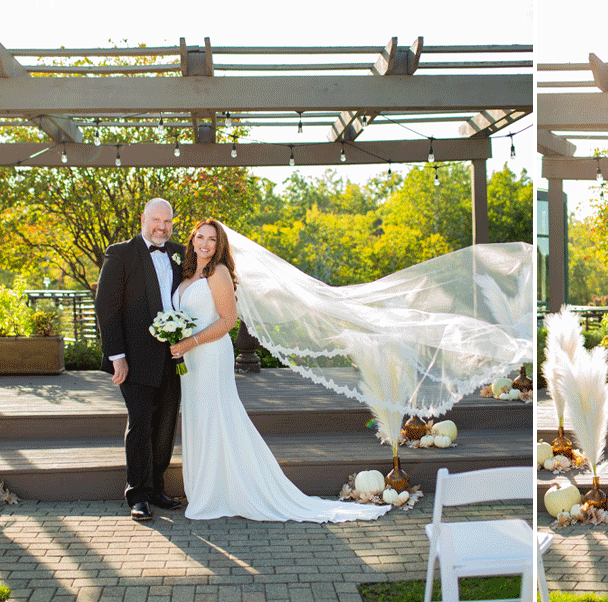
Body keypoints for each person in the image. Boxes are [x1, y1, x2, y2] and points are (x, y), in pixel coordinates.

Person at [167, 219, 390, 523]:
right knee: (199, 419)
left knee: (215, 417)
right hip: (190, 360)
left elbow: (227, 321)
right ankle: (207, 489)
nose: (205, 244)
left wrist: (190, 341)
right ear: (192, 241)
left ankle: (219, 494)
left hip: (209, 355)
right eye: (200, 238)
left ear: (220, 246)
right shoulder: (186, 273)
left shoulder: (217, 273)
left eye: (212, 240)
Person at [95, 198, 185, 522]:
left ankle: (157, 488)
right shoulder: (120, 252)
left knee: (165, 426)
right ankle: (138, 495)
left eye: (168, 223)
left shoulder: (179, 253)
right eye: (156, 221)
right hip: (133, 359)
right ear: (143, 218)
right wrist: (117, 357)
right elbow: (106, 307)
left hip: (172, 357)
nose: (161, 228)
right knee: (140, 424)